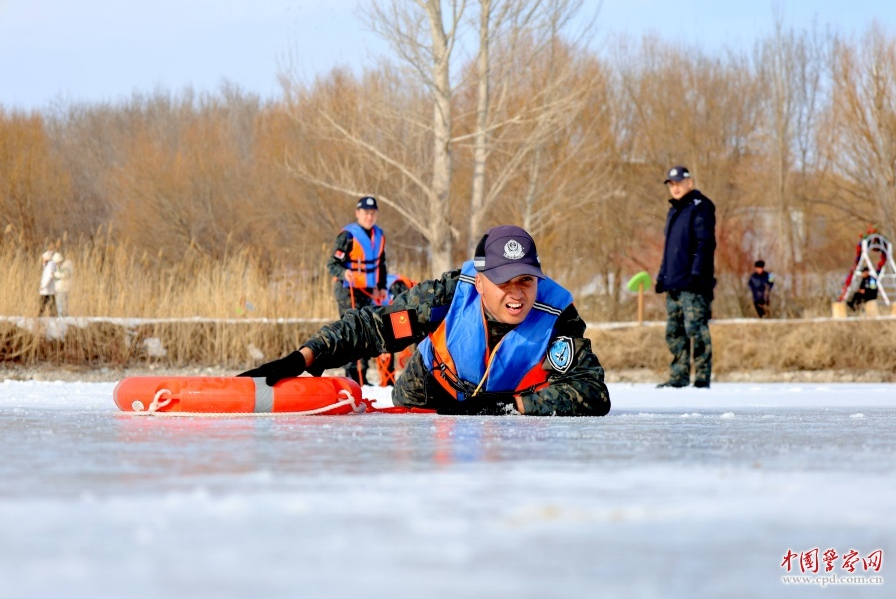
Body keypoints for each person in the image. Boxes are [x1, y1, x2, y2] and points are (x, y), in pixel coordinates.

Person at [241, 225, 610, 417]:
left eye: (526, 280)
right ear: (480, 282)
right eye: (503, 281)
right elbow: (373, 326)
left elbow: (593, 391)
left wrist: (511, 408)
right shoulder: (448, 295)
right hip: (428, 389)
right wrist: (308, 355)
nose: (517, 294)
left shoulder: (557, 317)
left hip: (501, 409)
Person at [654, 166, 716, 389]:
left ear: (689, 183)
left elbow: (704, 243)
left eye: (679, 182)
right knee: (675, 332)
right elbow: (671, 249)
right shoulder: (674, 210)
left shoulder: (701, 207)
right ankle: (678, 377)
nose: (675, 187)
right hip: (674, 282)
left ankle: (701, 378)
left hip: (693, 284)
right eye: (671, 184)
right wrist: (662, 276)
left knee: (696, 329)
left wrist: (697, 273)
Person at [327, 196, 389, 385]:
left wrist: (382, 287)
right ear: (358, 214)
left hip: (369, 291)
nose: (369, 217)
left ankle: (363, 373)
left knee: (366, 332)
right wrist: (344, 272)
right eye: (365, 213)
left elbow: (381, 265)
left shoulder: (379, 235)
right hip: (349, 290)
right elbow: (332, 263)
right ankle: (352, 375)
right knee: (351, 331)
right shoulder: (348, 236)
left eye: (372, 214)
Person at [52, 252, 74, 317]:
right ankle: (65, 317)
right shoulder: (61, 267)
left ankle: (62, 318)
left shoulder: (65, 266)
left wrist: (55, 274)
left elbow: (65, 275)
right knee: (63, 305)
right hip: (61, 288)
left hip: (63, 288)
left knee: (60, 305)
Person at [38, 250, 57, 317]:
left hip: (47, 289)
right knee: (51, 303)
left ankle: (40, 316)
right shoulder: (50, 265)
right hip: (49, 289)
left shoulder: (50, 265)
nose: (43, 259)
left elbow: (49, 276)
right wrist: (44, 264)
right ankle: (53, 316)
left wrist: (43, 286)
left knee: (43, 303)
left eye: (44, 258)